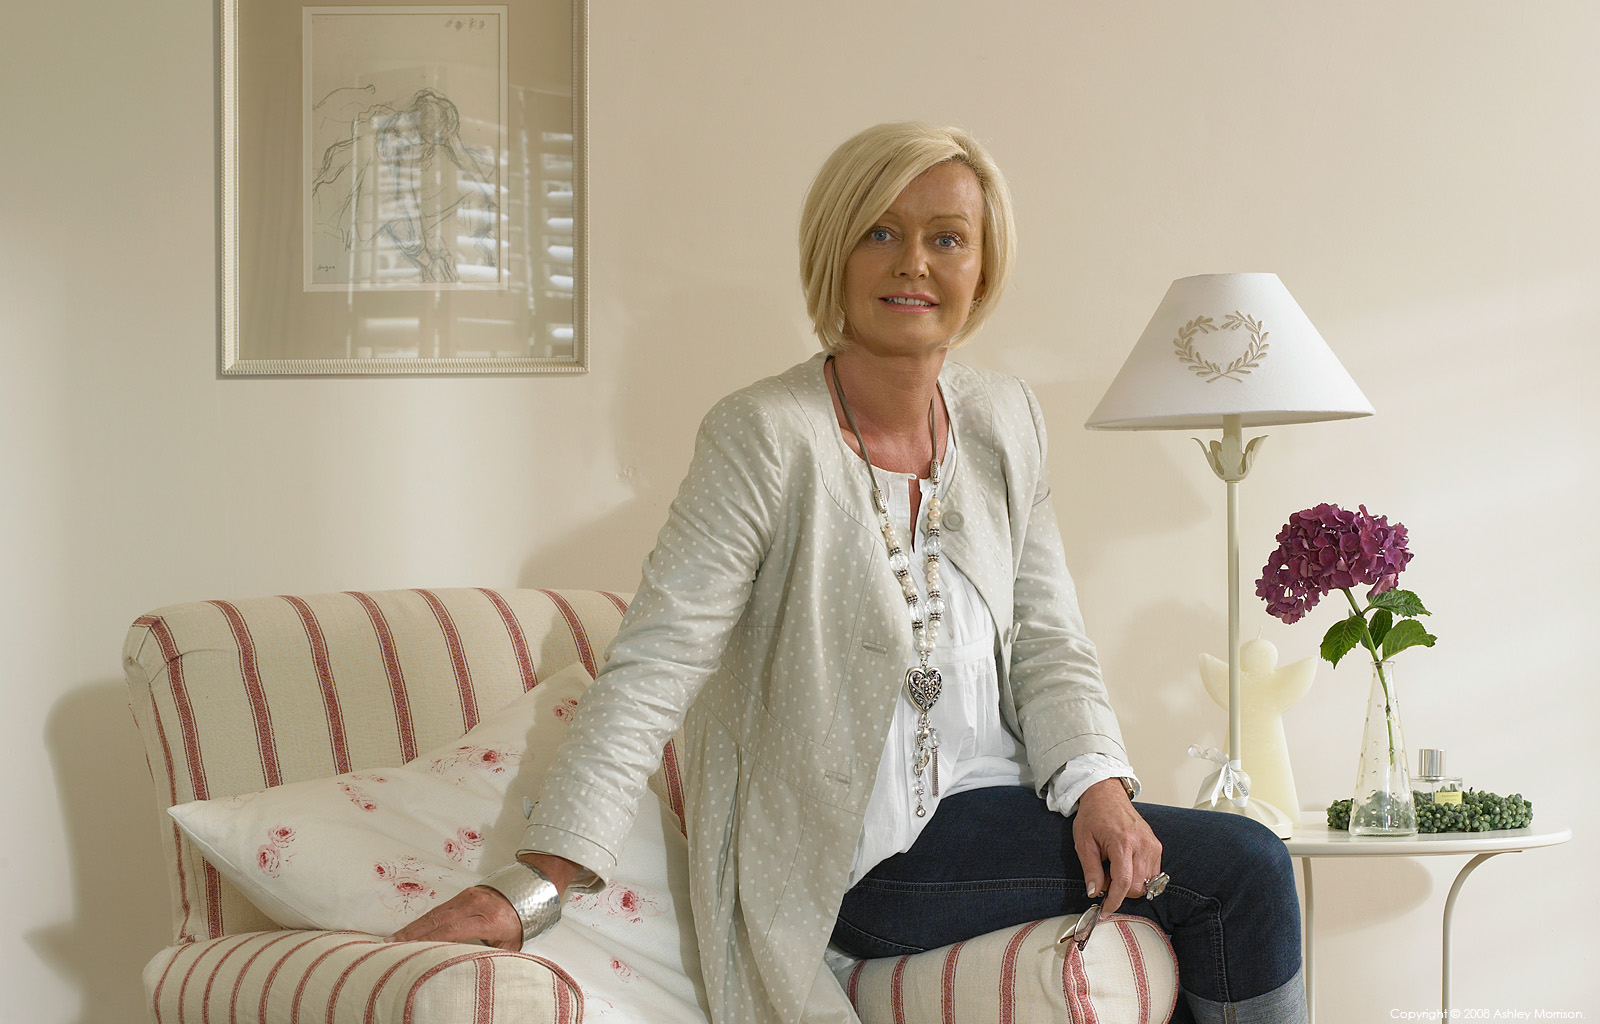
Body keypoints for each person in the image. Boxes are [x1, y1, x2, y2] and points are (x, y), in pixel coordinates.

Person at [393, 122, 1306, 1024]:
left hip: (1003, 807)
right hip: (859, 861)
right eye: (880, 232)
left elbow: (1048, 637)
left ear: (982, 267)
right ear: (834, 254)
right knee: (1247, 868)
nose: (913, 263)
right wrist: (535, 883)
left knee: (1192, 881)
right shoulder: (763, 437)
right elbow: (654, 668)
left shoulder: (1003, 418)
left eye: (946, 238)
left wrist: (1099, 786)